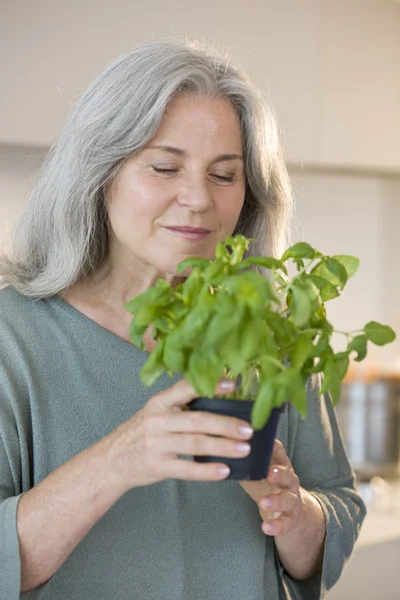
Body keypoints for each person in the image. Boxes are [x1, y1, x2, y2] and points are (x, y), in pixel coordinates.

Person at [0, 38, 365, 600]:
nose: (197, 198)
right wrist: (121, 459)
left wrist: (293, 510)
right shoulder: (12, 339)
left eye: (224, 175)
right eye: (166, 167)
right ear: (99, 173)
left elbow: (336, 509)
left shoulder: (267, 331)